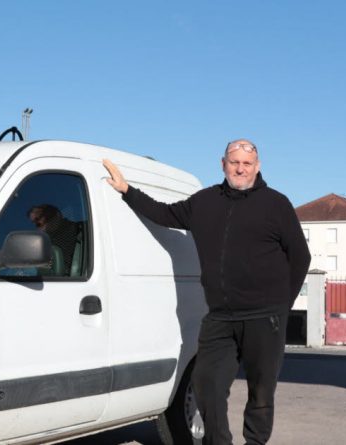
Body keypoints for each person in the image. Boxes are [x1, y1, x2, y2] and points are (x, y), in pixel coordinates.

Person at [103, 139, 310, 445]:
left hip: (264, 317)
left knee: (261, 391)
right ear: (223, 164)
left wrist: (282, 306)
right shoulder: (205, 201)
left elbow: (301, 257)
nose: (240, 169)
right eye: (234, 162)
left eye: (247, 163)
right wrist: (127, 191)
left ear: (257, 167)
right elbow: (164, 214)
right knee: (206, 384)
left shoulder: (276, 204)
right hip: (220, 317)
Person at [28, 204, 80, 276]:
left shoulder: (73, 230)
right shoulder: (47, 238)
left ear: (54, 215)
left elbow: (60, 267)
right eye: (35, 223)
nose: (37, 224)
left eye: (38, 218)